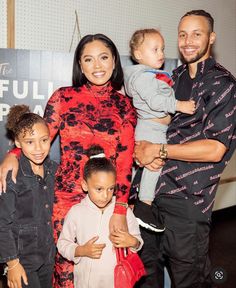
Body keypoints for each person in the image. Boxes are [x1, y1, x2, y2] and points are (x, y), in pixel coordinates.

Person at [0, 34, 136, 287]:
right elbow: (38, 138)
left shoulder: (125, 106)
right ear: (80, 65)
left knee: (102, 268)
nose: (97, 66)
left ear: (114, 61)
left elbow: (126, 163)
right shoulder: (63, 97)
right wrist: (13, 154)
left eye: (103, 57)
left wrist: (120, 209)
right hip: (65, 200)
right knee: (64, 270)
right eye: (88, 59)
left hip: (105, 200)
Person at [134, 10, 236, 288]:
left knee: (189, 280)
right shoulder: (171, 77)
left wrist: (158, 150)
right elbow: (150, 120)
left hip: (187, 203)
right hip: (148, 198)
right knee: (144, 277)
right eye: (182, 34)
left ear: (211, 38)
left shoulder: (223, 85)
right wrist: (140, 148)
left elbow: (215, 149)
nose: (188, 41)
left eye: (196, 33)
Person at [124, 28, 196, 232]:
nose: (161, 54)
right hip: (152, 129)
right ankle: (144, 206)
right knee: (153, 168)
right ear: (139, 55)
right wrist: (179, 105)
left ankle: (127, 197)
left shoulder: (150, 75)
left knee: (143, 167)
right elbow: (156, 101)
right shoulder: (143, 77)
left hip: (153, 128)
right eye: (155, 49)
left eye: (162, 49)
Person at [57, 144, 143, 288]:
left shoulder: (123, 212)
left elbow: (139, 242)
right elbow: (62, 243)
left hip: (117, 283)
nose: (105, 196)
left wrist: (132, 241)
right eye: (99, 189)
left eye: (110, 189)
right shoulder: (76, 212)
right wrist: (80, 250)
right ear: (85, 185)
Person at [0, 105, 57, 288]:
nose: (38, 148)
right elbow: (2, 223)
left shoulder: (54, 170)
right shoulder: (12, 175)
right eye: (30, 142)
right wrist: (12, 263)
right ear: (18, 143)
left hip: (49, 258)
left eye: (44, 140)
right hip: (22, 262)